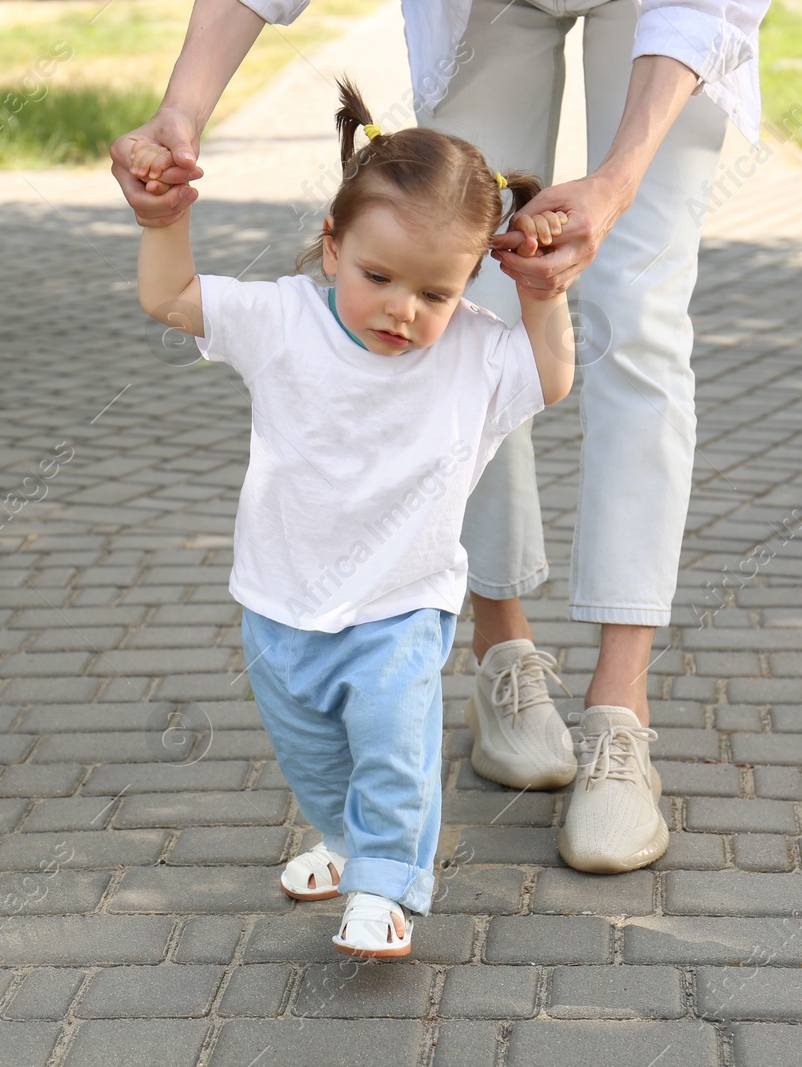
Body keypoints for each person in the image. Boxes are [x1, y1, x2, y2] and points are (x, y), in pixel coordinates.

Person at [115, 0, 771, 875]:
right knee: (460, 291)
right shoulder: (290, 313)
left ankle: (620, 712)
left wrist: (615, 183)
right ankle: (503, 650)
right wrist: (183, 111)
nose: (388, 299)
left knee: (637, 315)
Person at [123, 76, 575, 957]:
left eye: (435, 294)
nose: (404, 310)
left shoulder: (477, 352)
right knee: (315, 758)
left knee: (391, 748)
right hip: (279, 602)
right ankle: (344, 839)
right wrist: (159, 222)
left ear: (467, 284)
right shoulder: (282, 319)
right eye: (379, 277)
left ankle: (385, 886)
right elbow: (169, 296)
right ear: (331, 247)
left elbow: (552, 377)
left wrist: (542, 294)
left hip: (401, 604)